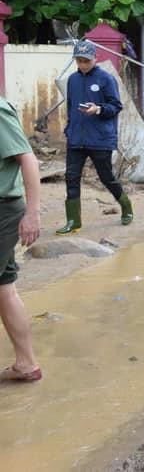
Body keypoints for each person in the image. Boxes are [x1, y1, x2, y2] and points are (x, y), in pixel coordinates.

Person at [57, 40, 133, 234]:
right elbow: (71, 107)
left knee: (106, 176)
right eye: (79, 60)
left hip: (99, 138)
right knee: (71, 177)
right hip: (76, 138)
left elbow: (116, 106)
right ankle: (73, 220)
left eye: (86, 61)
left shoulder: (106, 79)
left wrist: (98, 109)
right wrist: (69, 128)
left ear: (95, 59)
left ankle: (126, 205)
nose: (82, 64)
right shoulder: (72, 80)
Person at [0, 96, 41, 381]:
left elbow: (28, 158)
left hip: (2, 209)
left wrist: (33, 213)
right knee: (4, 288)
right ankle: (26, 364)